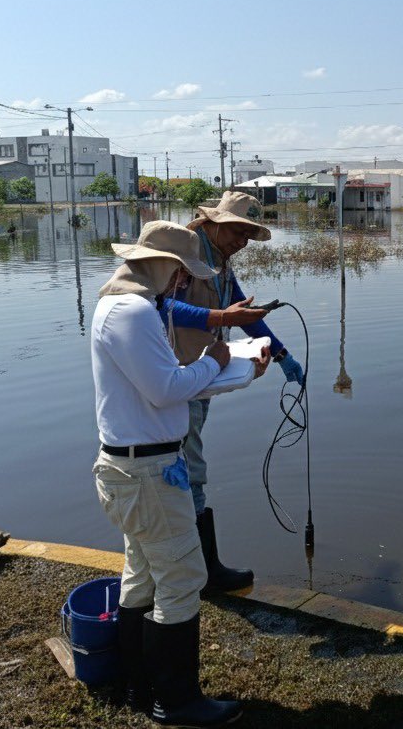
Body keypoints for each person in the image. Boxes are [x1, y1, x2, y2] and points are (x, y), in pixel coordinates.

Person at [91, 220, 269, 727]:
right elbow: (168, 388)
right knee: (183, 577)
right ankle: (177, 701)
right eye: (183, 273)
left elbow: (168, 388)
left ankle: (138, 683)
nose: (185, 284)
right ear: (163, 266)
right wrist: (216, 360)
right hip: (145, 472)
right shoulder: (131, 312)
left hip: (136, 465)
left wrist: (235, 371)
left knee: (144, 573)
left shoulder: (128, 307)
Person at [157, 191, 304, 594]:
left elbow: (245, 315)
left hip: (202, 376)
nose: (242, 241)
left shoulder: (218, 262)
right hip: (174, 382)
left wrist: (283, 354)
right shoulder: (181, 256)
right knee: (189, 473)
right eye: (238, 231)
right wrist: (222, 317)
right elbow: (159, 306)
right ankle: (202, 576)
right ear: (214, 222)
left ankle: (192, 568)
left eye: (248, 235)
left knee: (188, 471)